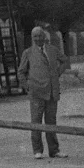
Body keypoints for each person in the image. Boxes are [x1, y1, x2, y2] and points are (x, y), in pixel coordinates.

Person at [18, 26, 71, 160]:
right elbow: (21, 72)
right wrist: (27, 86)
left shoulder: (53, 50)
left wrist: (57, 73)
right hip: (36, 93)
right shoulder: (28, 53)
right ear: (32, 38)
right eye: (35, 36)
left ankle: (54, 150)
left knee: (51, 122)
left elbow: (65, 61)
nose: (38, 39)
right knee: (36, 122)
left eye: (40, 36)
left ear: (44, 37)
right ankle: (37, 150)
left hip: (52, 92)